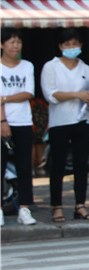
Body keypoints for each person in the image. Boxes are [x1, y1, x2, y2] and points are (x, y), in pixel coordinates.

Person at [40, 28, 89, 223]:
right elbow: (51, 94)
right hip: (60, 122)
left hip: (82, 120)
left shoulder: (85, 68)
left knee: (81, 164)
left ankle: (80, 204)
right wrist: (76, 95)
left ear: (80, 45)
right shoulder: (51, 67)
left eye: (74, 44)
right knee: (58, 164)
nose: (71, 48)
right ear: (60, 47)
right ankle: (56, 206)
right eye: (67, 45)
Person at [1, 27, 37, 225]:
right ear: (2, 45)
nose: (16, 46)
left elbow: (28, 93)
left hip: (23, 121)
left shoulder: (27, 66)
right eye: (11, 42)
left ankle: (24, 208)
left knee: (25, 166)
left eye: (19, 42)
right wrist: (2, 121)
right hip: (3, 122)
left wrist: (5, 98)